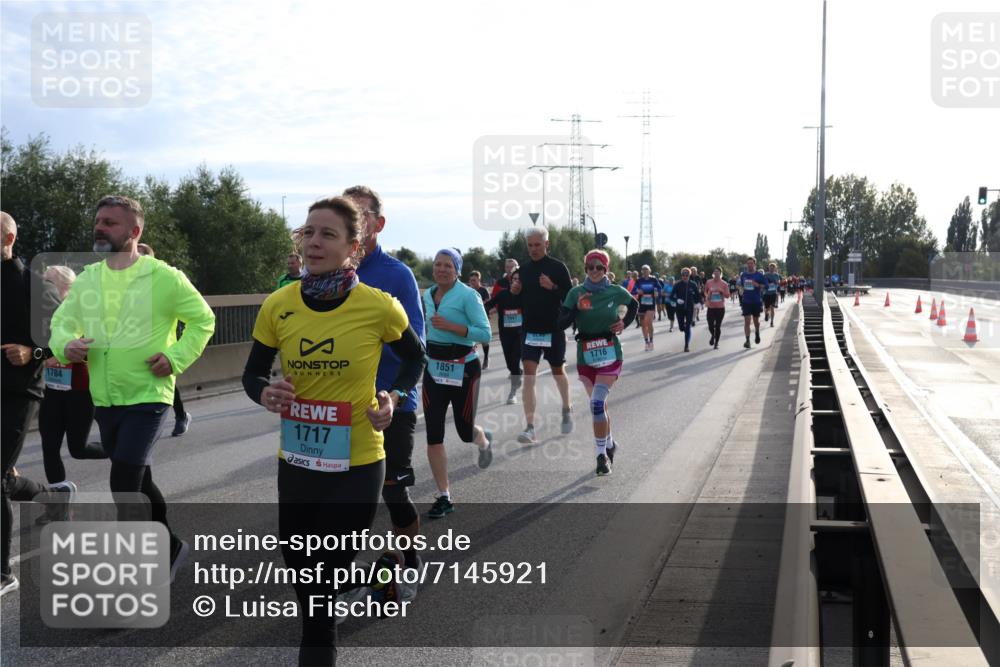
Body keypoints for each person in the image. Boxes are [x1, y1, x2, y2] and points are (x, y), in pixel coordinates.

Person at [242, 195, 424, 666]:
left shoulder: (378, 306)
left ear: (353, 247)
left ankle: (319, 645)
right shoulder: (278, 304)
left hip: (358, 459)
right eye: (308, 232)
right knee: (301, 563)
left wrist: (394, 398)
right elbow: (252, 373)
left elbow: (415, 359)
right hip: (298, 459)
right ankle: (379, 575)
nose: (314, 242)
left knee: (325, 570)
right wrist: (264, 393)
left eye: (328, 234)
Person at [49, 195, 216, 582]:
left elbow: (203, 320)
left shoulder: (165, 277)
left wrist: (175, 358)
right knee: (140, 480)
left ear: (135, 232)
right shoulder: (89, 279)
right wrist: (65, 345)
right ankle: (171, 547)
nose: (101, 227)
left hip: (149, 395)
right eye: (99, 220)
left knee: (123, 481)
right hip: (105, 399)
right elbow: (62, 323)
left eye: (111, 222)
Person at [346, 184, 427, 580]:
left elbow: (418, 347)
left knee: (393, 492)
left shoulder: (397, 275)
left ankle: (409, 561)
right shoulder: (325, 272)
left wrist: (396, 395)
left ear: (378, 223)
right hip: (340, 404)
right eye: (347, 213)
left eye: (361, 215)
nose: (353, 222)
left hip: (391, 401)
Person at [1, 212, 78, 596]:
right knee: (6, 477)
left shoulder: (32, 285)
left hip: (16, 393)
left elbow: (64, 341)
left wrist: (31, 352)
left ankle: (3, 574)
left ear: (9, 237)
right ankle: (53, 497)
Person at [421, 249, 493, 519]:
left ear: (457, 269)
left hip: (464, 369)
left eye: (447, 265)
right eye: (437, 264)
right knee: (433, 433)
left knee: (464, 432)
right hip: (434, 369)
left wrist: (454, 327)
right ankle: (444, 496)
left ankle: (483, 440)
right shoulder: (427, 295)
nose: (441, 269)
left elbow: (485, 333)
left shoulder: (468, 295)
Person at [558, 250, 637, 476]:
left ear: (606, 270)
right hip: (586, 356)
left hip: (610, 353)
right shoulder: (576, 293)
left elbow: (633, 306)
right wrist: (570, 312)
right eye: (590, 267)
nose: (594, 271)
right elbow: (561, 320)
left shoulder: (615, 291)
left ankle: (601, 454)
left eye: (599, 267)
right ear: (585, 270)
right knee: (598, 405)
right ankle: (610, 442)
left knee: (596, 403)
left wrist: (624, 324)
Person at [37, 266, 107, 514]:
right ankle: (58, 505)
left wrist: (63, 354)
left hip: (80, 390)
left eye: (48, 282)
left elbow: (94, 346)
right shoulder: (45, 315)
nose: (43, 287)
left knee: (78, 449)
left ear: (67, 287)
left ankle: (120, 449)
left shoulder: (85, 312)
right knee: (49, 445)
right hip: (53, 390)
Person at [517, 227, 573, 444]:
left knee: (558, 370)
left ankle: (567, 407)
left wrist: (553, 287)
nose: (533, 249)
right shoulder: (524, 270)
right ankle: (530, 427)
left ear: (546, 244)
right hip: (530, 330)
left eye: (537, 245)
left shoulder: (558, 267)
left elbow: (570, 297)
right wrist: (515, 293)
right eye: (530, 245)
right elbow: (518, 300)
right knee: (528, 375)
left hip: (553, 329)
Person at [136, 243, 192, 436]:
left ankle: (181, 416)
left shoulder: (165, 279)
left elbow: (197, 316)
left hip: (160, 344)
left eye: (142, 254)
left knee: (164, 379)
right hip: (134, 343)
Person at [483, 268, 524, 404]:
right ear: (511, 281)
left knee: (515, 358)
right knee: (510, 363)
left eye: (519, 279)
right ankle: (517, 372)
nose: (516, 282)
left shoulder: (526, 295)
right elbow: (488, 305)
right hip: (505, 334)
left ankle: (512, 392)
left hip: (520, 333)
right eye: (514, 279)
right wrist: (485, 312)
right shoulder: (503, 295)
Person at [737, 257, 766, 348]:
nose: (749, 265)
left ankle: (757, 332)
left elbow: (766, 286)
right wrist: (741, 289)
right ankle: (747, 341)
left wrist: (757, 285)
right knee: (747, 321)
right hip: (746, 301)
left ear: (754, 264)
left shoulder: (759, 275)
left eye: (751, 263)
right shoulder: (744, 275)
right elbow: (740, 285)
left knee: (756, 321)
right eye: (748, 263)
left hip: (756, 301)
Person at [631, 265, 660, 352]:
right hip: (642, 304)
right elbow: (633, 290)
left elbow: (659, 288)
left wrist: (656, 292)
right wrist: (637, 291)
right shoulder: (639, 281)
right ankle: (646, 342)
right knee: (643, 324)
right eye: (643, 270)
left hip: (651, 303)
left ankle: (651, 341)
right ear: (641, 272)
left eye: (646, 269)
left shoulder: (653, 280)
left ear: (650, 271)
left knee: (649, 322)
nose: (645, 271)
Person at [467, 270, 492, 369]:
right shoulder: (468, 291)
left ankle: (486, 358)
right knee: (469, 338)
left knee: (484, 340)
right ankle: (470, 359)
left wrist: (480, 303)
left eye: (474, 280)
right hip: (470, 319)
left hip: (482, 318)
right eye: (471, 280)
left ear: (479, 280)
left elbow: (488, 302)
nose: (472, 282)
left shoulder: (483, 290)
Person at [672, 269, 700, 352]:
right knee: (681, 328)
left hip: (690, 308)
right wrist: (676, 300)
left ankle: (686, 346)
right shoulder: (677, 284)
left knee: (688, 327)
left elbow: (697, 295)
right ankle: (685, 328)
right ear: (681, 275)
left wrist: (699, 303)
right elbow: (671, 296)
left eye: (687, 275)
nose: (685, 277)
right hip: (679, 309)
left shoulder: (693, 284)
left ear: (689, 276)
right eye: (683, 275)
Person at [703, 267, 731, 350]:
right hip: (711, 307)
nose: (716, 273)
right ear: (713, 273)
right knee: (710, 325)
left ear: (720, 273)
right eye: (715, 272)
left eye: (718, 272)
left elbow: (727, 295)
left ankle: (716, 343)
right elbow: (705, 292)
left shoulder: (724, 284)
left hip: (720, 308)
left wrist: (721, 291)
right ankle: (713, 335)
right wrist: (708, 295)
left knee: (717, 326)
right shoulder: (708, 282)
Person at [763, 262, 782, 326]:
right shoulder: (765, 275)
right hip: (767, 293)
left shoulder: (776, 275)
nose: (771, 269)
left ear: (774, 268)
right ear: (768, 268)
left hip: (773, 293)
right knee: (767, 308)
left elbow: (778, 282)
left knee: (772, 308)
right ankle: (766, 314)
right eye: (770, 268)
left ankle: (772, 322)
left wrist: (777, 282)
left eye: (773, 268)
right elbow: (763, 282)